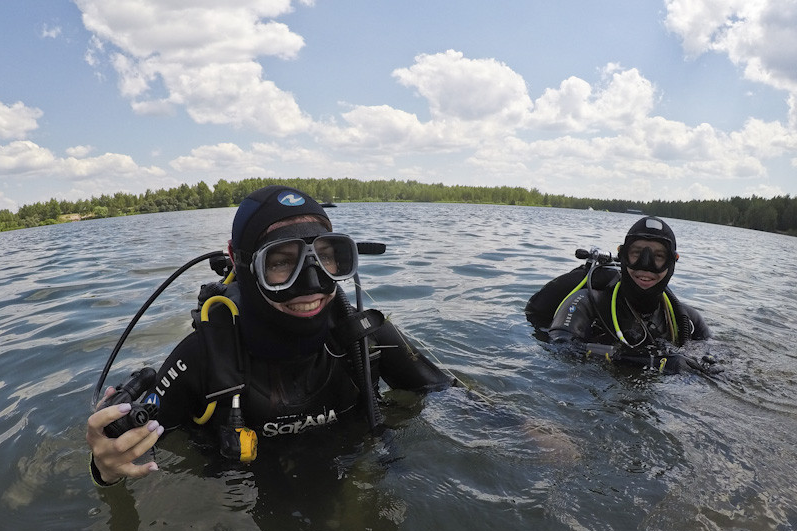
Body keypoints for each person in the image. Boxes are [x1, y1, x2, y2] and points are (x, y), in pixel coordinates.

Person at [87, 185, 452, 486]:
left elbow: (455, 400)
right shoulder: (203, 359)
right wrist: (105, 468)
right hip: (244, 502)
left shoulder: (365, 337)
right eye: (279, 262)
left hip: (354, 474)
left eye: (325, 257)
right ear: (242, 262)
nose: (311, 285)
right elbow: (123, 452)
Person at [534, 216, 714, 373]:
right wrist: (655, 363)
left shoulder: (688, 320)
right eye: (637, 253)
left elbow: (716, 361)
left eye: (658, 256)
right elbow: (561, 349)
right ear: (623, 256)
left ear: (672, 263)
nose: (646, 265)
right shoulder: (587, 303)